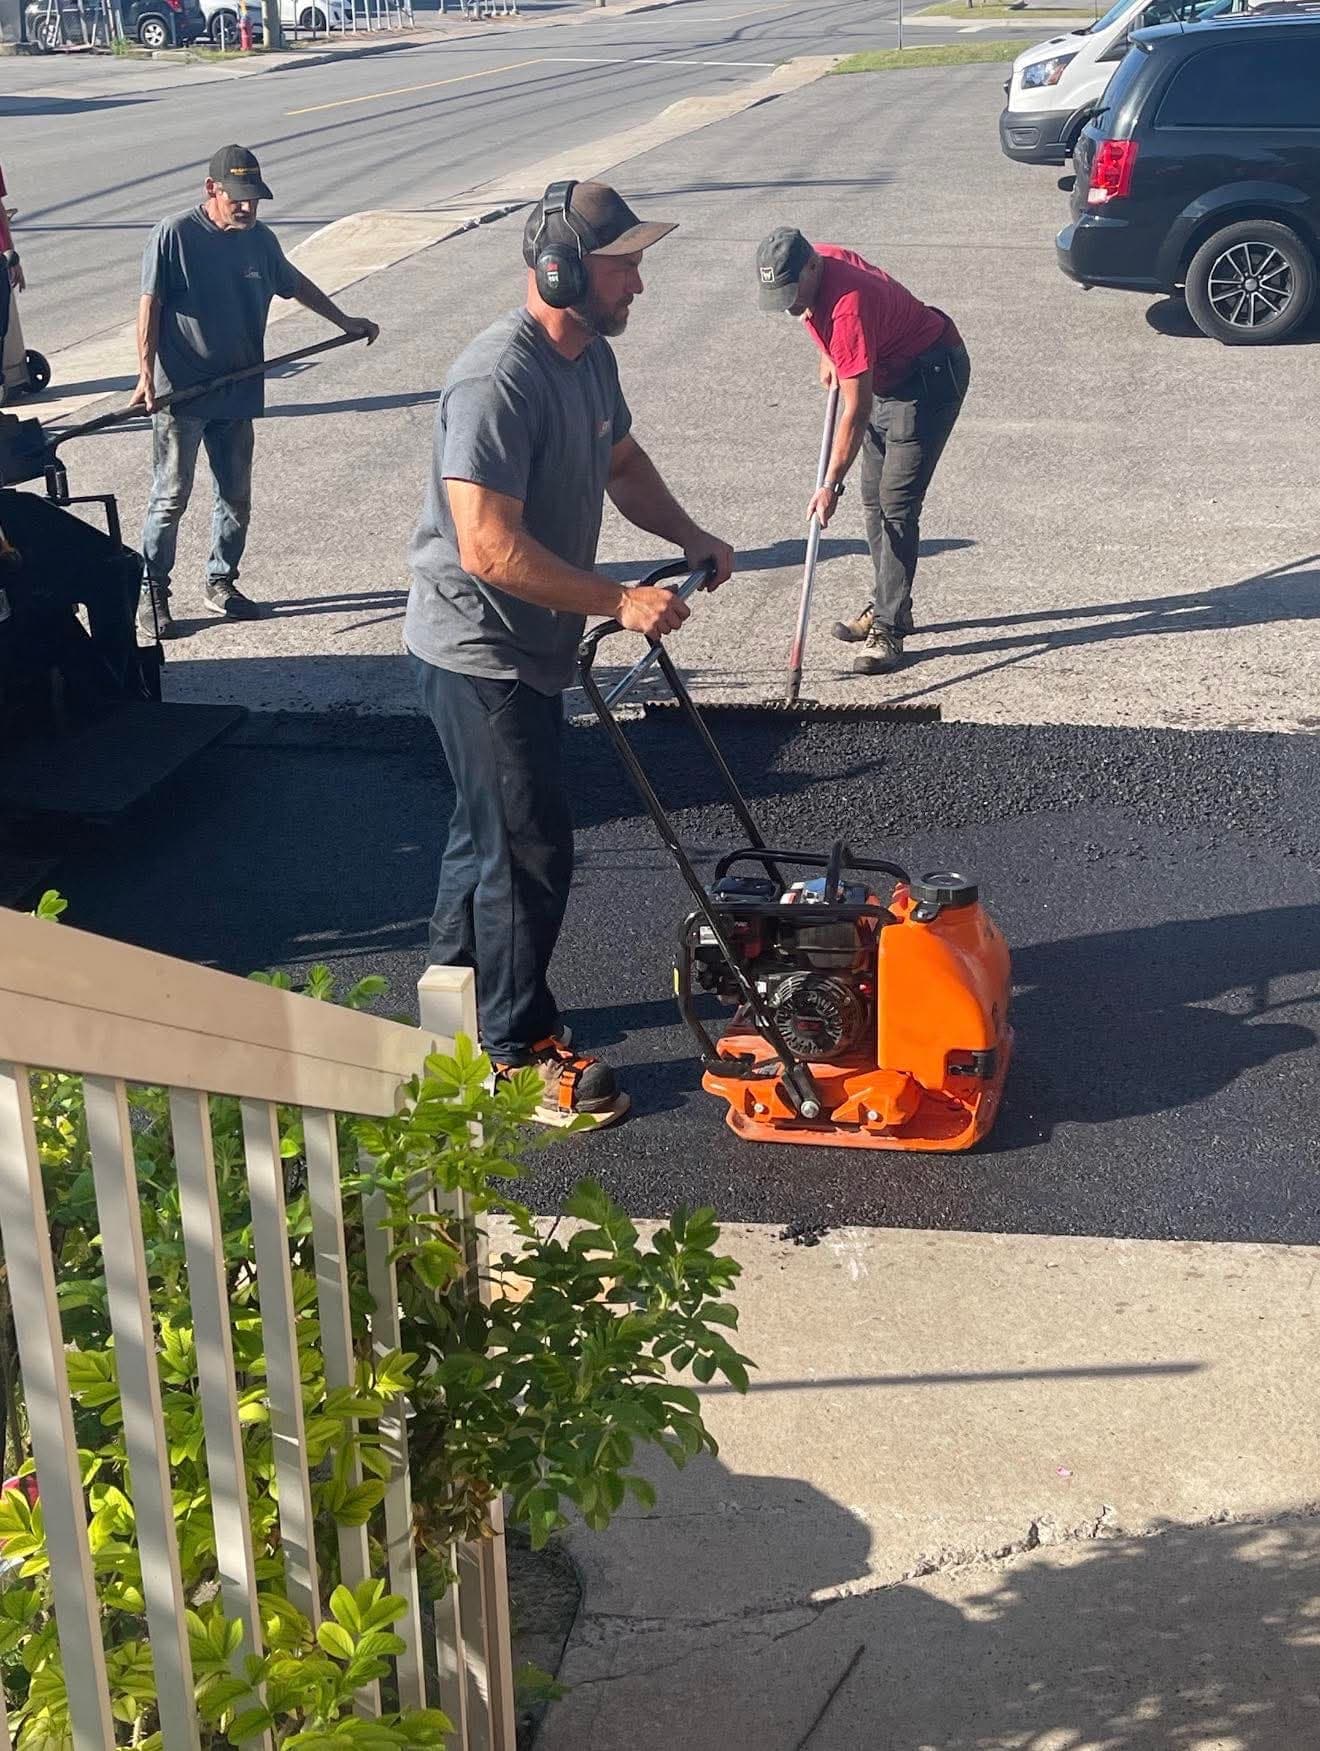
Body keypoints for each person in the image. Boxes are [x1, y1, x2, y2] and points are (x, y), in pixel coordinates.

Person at [406, 179, 734, 1129]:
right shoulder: (495, 378)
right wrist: (619, 599)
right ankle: (512, 1056)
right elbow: (488, 548)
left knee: (487, 836)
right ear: (560, 268)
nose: (638, 283)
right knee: (529, 848)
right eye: (623, 264)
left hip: (527, 641)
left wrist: (692, 535)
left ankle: (451, 1016)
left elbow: (620, 463)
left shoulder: (586, 362)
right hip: (476, 649)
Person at [133, 145, 378, 640]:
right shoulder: (175, 236)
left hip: (237, 389)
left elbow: (295, 284)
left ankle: (221, 581)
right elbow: (150, 305)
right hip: (182, 394)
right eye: (237, 199)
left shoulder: (259, 241)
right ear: (211, 190)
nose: (246, 208)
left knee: (235, 495)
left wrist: (344, 320)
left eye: (254, 200)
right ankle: (152, 588)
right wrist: (144, 374)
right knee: (170, 496)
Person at [755, 227, 969, 676]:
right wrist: (828, 352)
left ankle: (890, 628)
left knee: (896, 504)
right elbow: (836, 327)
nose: (791, 304)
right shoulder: (824, 259)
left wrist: (830, 484)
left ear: (811, 267)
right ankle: (892, 602)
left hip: (926, 380)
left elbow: (856, 409)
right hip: (887, 371)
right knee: (873, 500)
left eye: (794, 293)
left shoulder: (848, 311)